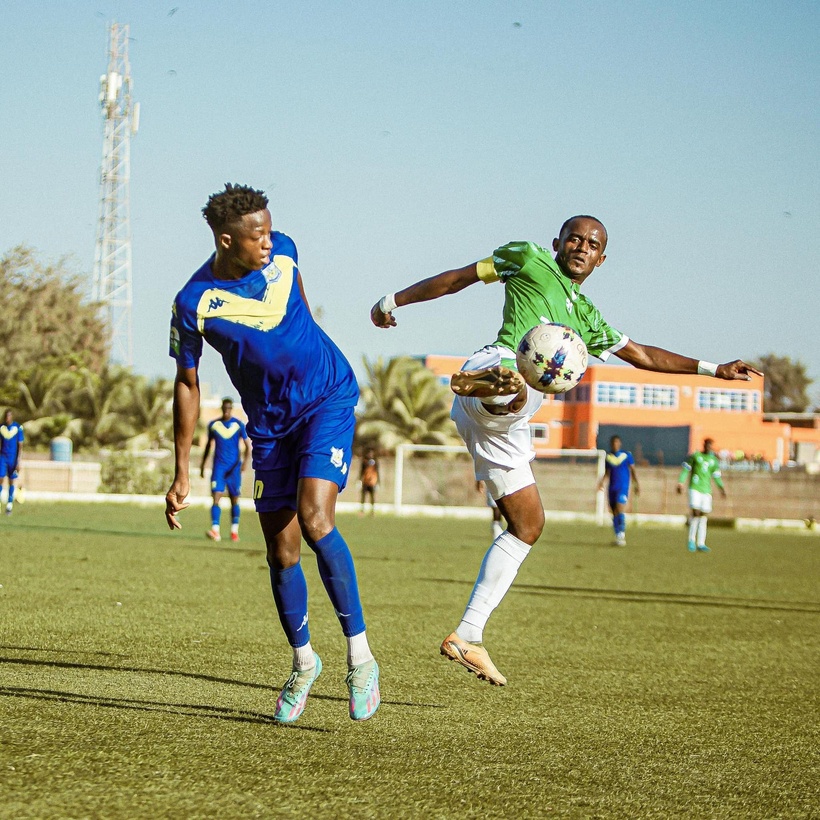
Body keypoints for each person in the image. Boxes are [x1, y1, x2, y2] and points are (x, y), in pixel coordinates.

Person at [371, 215, 761, 686]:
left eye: (592, 243)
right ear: (557, 242)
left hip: (506, 425)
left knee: (528, 525)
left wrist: (713, 369)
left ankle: (468, 634)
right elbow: (457, 279)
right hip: (495, 365)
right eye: (574, 238)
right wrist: (393, 301)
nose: (581, 246)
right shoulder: (528, 258)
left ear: (601, 257)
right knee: (521, 381)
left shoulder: (589, 318)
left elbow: (642, 355)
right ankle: (498, 384)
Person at [165, 183, 379, 723]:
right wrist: (182, 472)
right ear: (226, 239)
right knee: (282, 552)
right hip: (268, 425)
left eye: (268, 228)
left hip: (327, 396)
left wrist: (304, 355)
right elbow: (186, 384)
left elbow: (298, 303)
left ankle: (362, 657)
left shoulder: (284, 248)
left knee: (314, 519)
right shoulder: (194, 304)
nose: (268, 240)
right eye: (255, 234)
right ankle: (305, 663)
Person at [200, 397, 250, 542]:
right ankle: (215, 530)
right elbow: (208, 446)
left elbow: (248, 447)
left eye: (229, 408)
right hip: (219, 468)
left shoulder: (238, 425)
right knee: (216, 497)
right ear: (221, 408)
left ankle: (234, 531)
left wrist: (245, 463)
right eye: (224, 408)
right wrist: (203, 464)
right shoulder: (214, 425)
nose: (226, 411)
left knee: (234, 499)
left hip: (234, 469)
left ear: (231, 409)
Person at [677, 438, 726, 552]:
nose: (709, 447)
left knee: (703, 516)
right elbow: (686, 470)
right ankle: (691, 540)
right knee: (696, 512)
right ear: (704, 445)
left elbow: (716, 476)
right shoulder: (695, 456)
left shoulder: (713, 460)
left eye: (710, 445)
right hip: (695, 487)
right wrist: (681, 482)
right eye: (707, 445)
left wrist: (721, 488)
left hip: (706, 490)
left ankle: (701, 543)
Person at [596, 435, 639, 546]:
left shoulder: (626, 455)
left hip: (623, 486)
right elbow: (607, 472)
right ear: (611, 444)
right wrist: (601, 482)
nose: (615, 444)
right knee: (614, 511)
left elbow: (633, 470)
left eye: (617, 442)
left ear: (620, 443)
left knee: (620, 509)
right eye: (613, 442)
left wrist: (636, 483)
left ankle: (621, 534)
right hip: (612, 487)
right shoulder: (609, 457)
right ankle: (617, 535)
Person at [0, 409, 24, 515]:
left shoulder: (18, 428)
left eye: (9, 416)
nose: (7, 418)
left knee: (11, 480)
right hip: (3, 457)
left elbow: (20, 445)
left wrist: (18, 461)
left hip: (13, 458)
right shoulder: (1, 428)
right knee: (0, 478)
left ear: (12, 417)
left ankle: (9, 505)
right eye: (6, 416)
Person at [359, 448, 379, 515]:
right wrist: (359, 480)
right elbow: (361, 471)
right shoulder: (364, 461)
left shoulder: (375, 462)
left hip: (372, 482)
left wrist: (378, 482)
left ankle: (372, 511)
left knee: (372, 497)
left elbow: (377, 472)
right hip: (365, 481)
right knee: (363, 496)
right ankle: (362, 511)